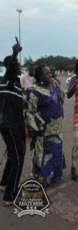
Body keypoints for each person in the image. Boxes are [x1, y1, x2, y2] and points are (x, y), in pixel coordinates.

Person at [25, 65, 65, 186]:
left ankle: (55, 175)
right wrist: (33, 128)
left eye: (50, 73)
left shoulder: (55, 84)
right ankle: (43, 179)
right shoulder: (33, 90)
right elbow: (30, 111)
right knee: (43, 154)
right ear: (40, 77)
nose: (50, 75)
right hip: (43, 129)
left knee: (56, 151)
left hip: (57, 127)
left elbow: (61, 97)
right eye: (47, 74)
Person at [0, 39, 25, 206]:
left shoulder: (15, 84)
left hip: (14, 125)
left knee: (12, 154)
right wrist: (15, 54)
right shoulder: (7, 80)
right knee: (18, 156)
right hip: (9, 125)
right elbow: (10, 70)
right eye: (17, 65)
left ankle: (4, 183)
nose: (20, 68)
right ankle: (10, 195)